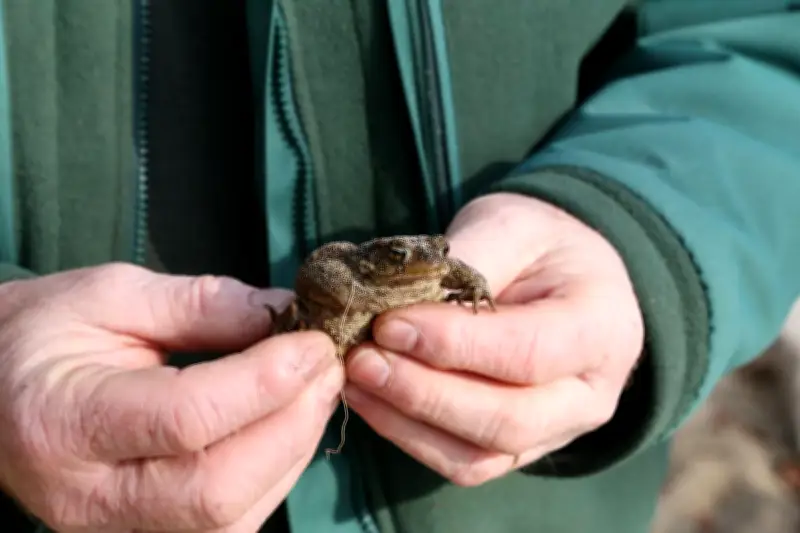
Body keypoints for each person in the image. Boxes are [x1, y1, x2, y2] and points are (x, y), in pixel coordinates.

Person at [0, 1, 798, 532]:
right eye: (405, 255)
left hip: (492, 497)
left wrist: (636, 226)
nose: (424, 260)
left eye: (429, 257)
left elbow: (762, 31)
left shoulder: (436, 268)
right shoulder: (350, 273)